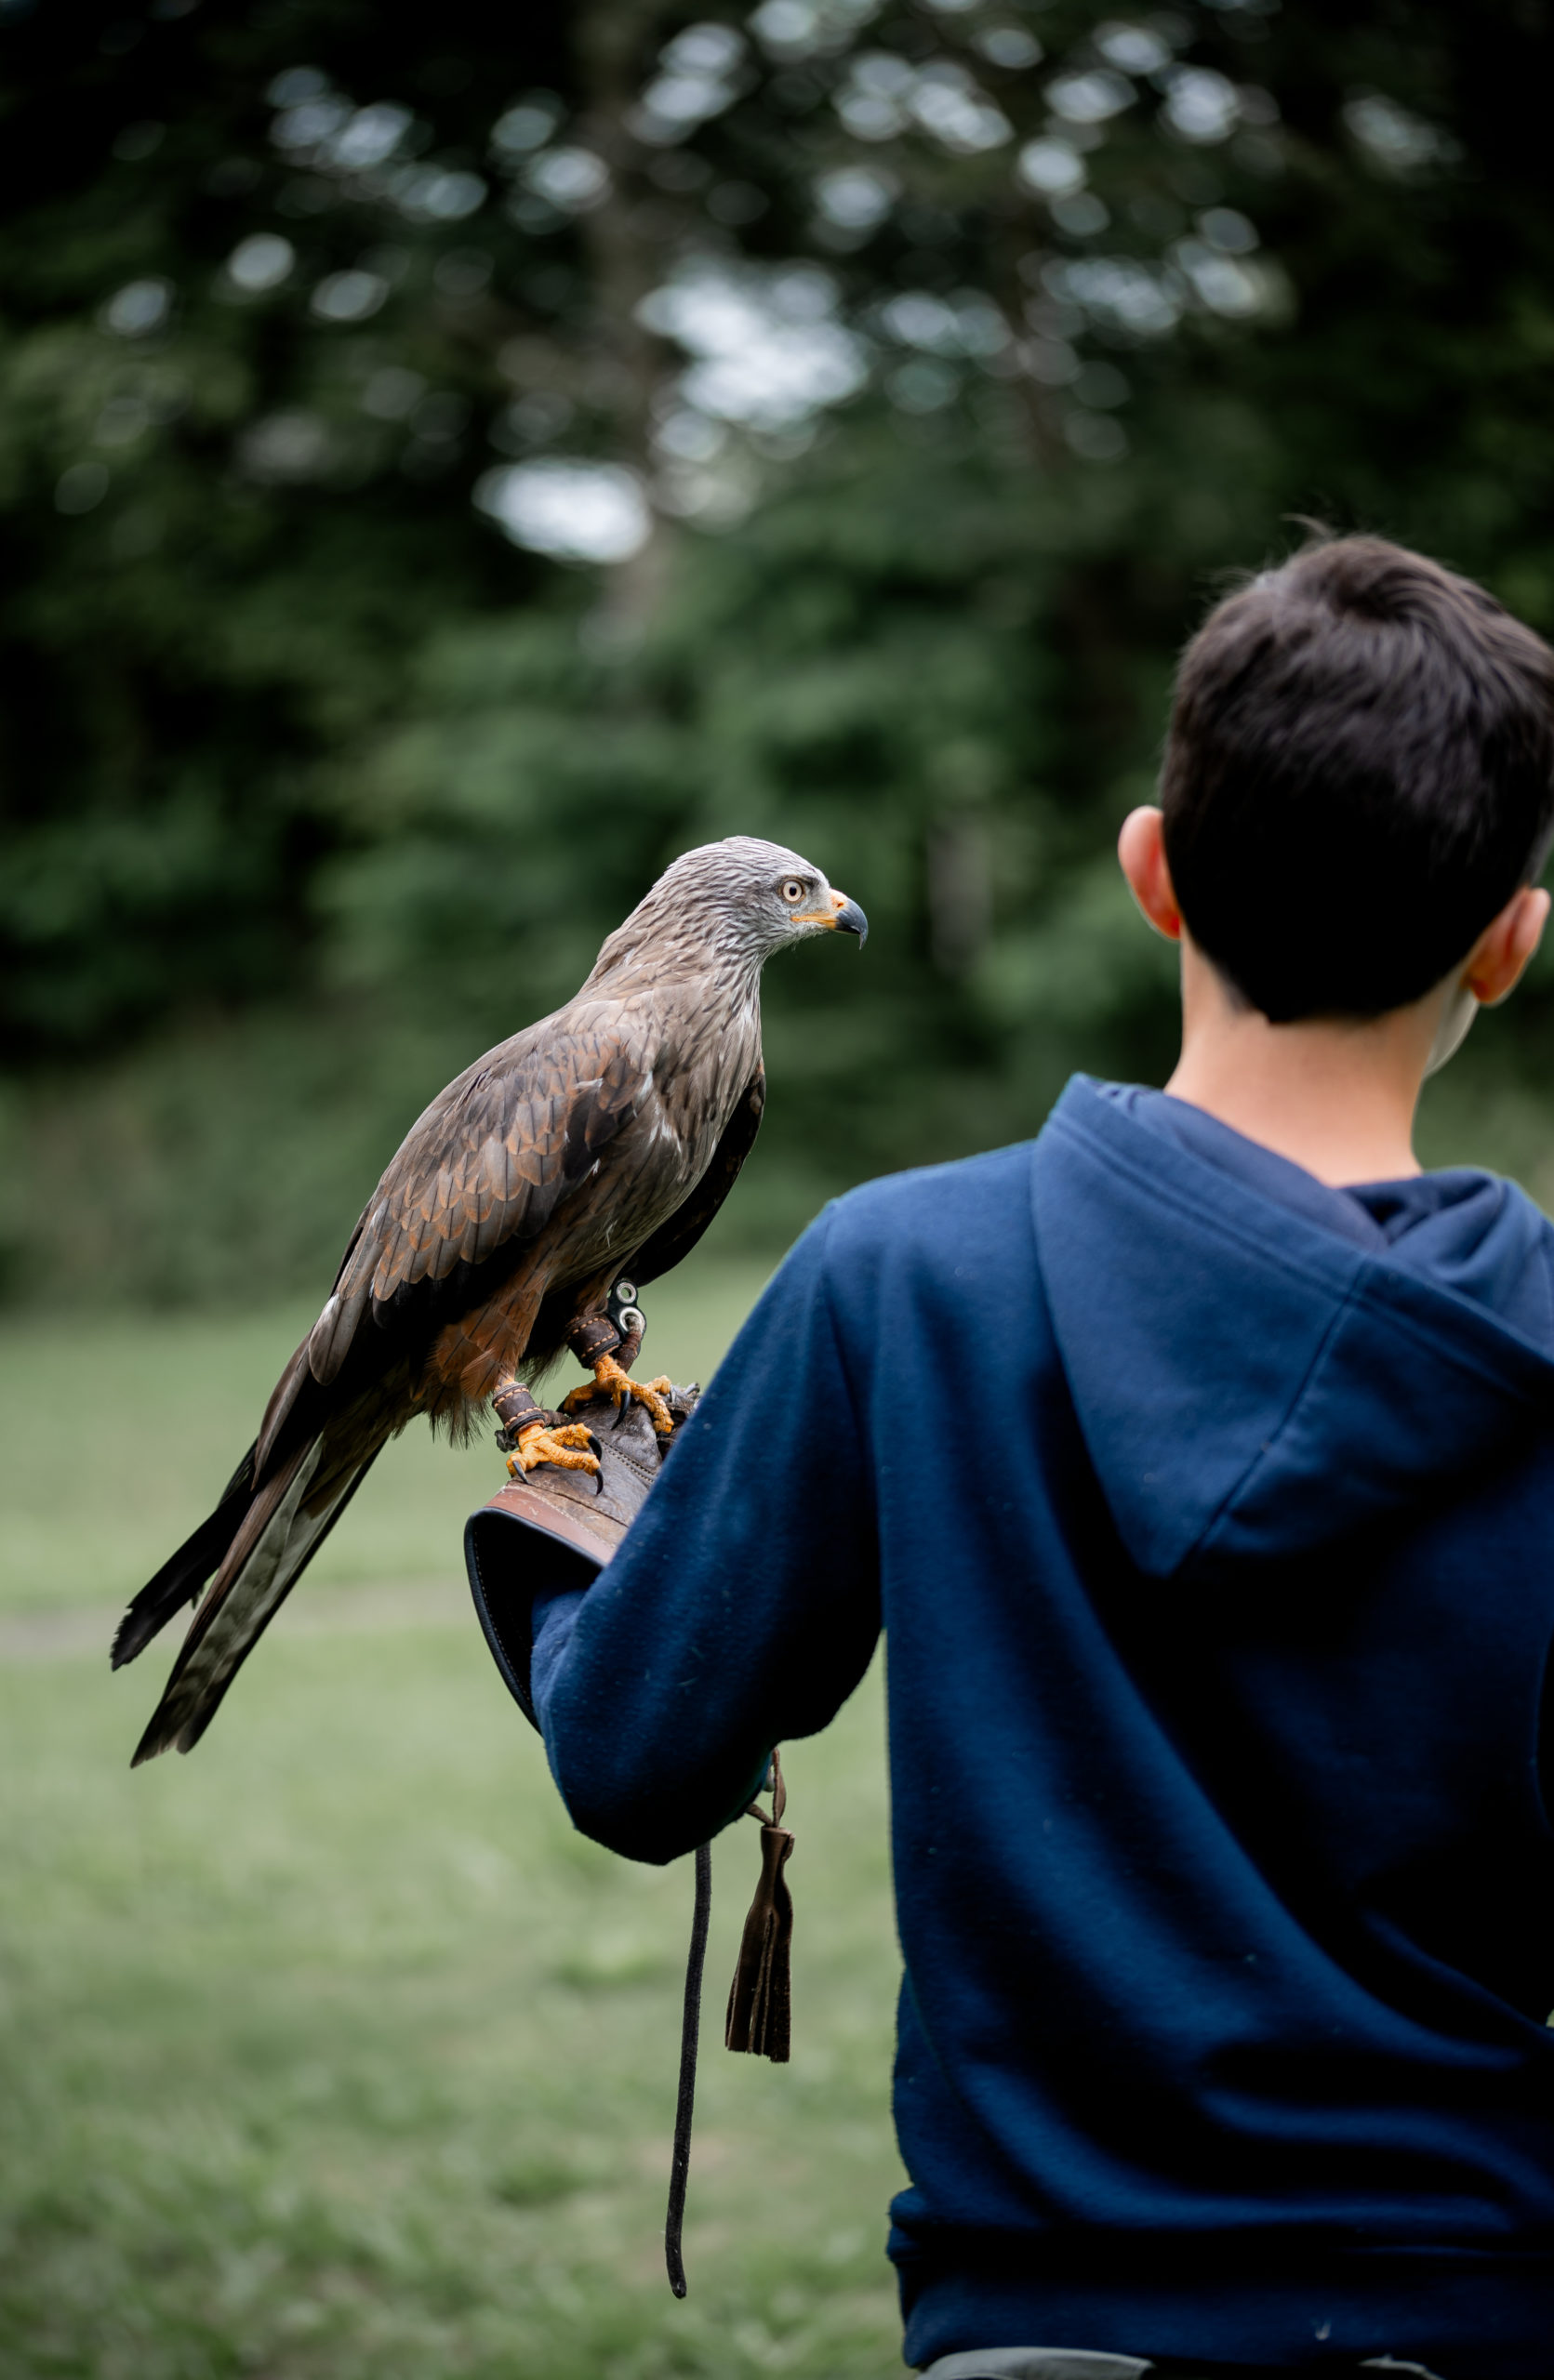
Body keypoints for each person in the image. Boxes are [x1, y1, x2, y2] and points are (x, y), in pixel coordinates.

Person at [523, 536, 1554, 2380]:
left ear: (1152, 874)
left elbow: (637, 1753)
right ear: (1513, 933)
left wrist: (561, 1525)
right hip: (1479, 2306)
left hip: (1045, 2324)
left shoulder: (904, 1275)